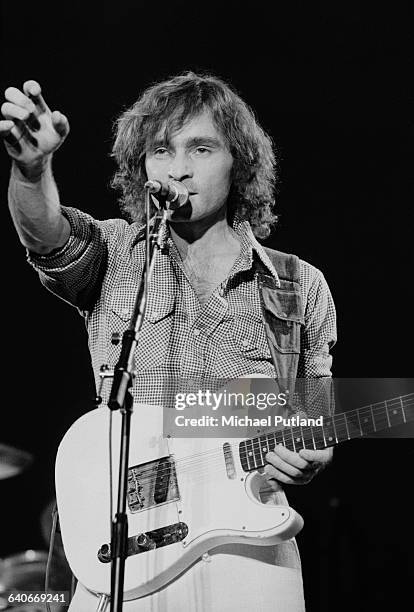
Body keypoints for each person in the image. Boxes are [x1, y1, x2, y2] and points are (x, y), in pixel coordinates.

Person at [1, 72, 336, 611]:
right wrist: (31, 168)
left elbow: (314, 417)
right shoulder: (114, 253)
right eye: (161, 151)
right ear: (143, 168)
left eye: (200, 148)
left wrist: (311, 451)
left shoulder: (297, 285)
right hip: (126, 547)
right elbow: (45, 233)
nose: (178, 168)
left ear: (239, 162)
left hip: (246, 551)